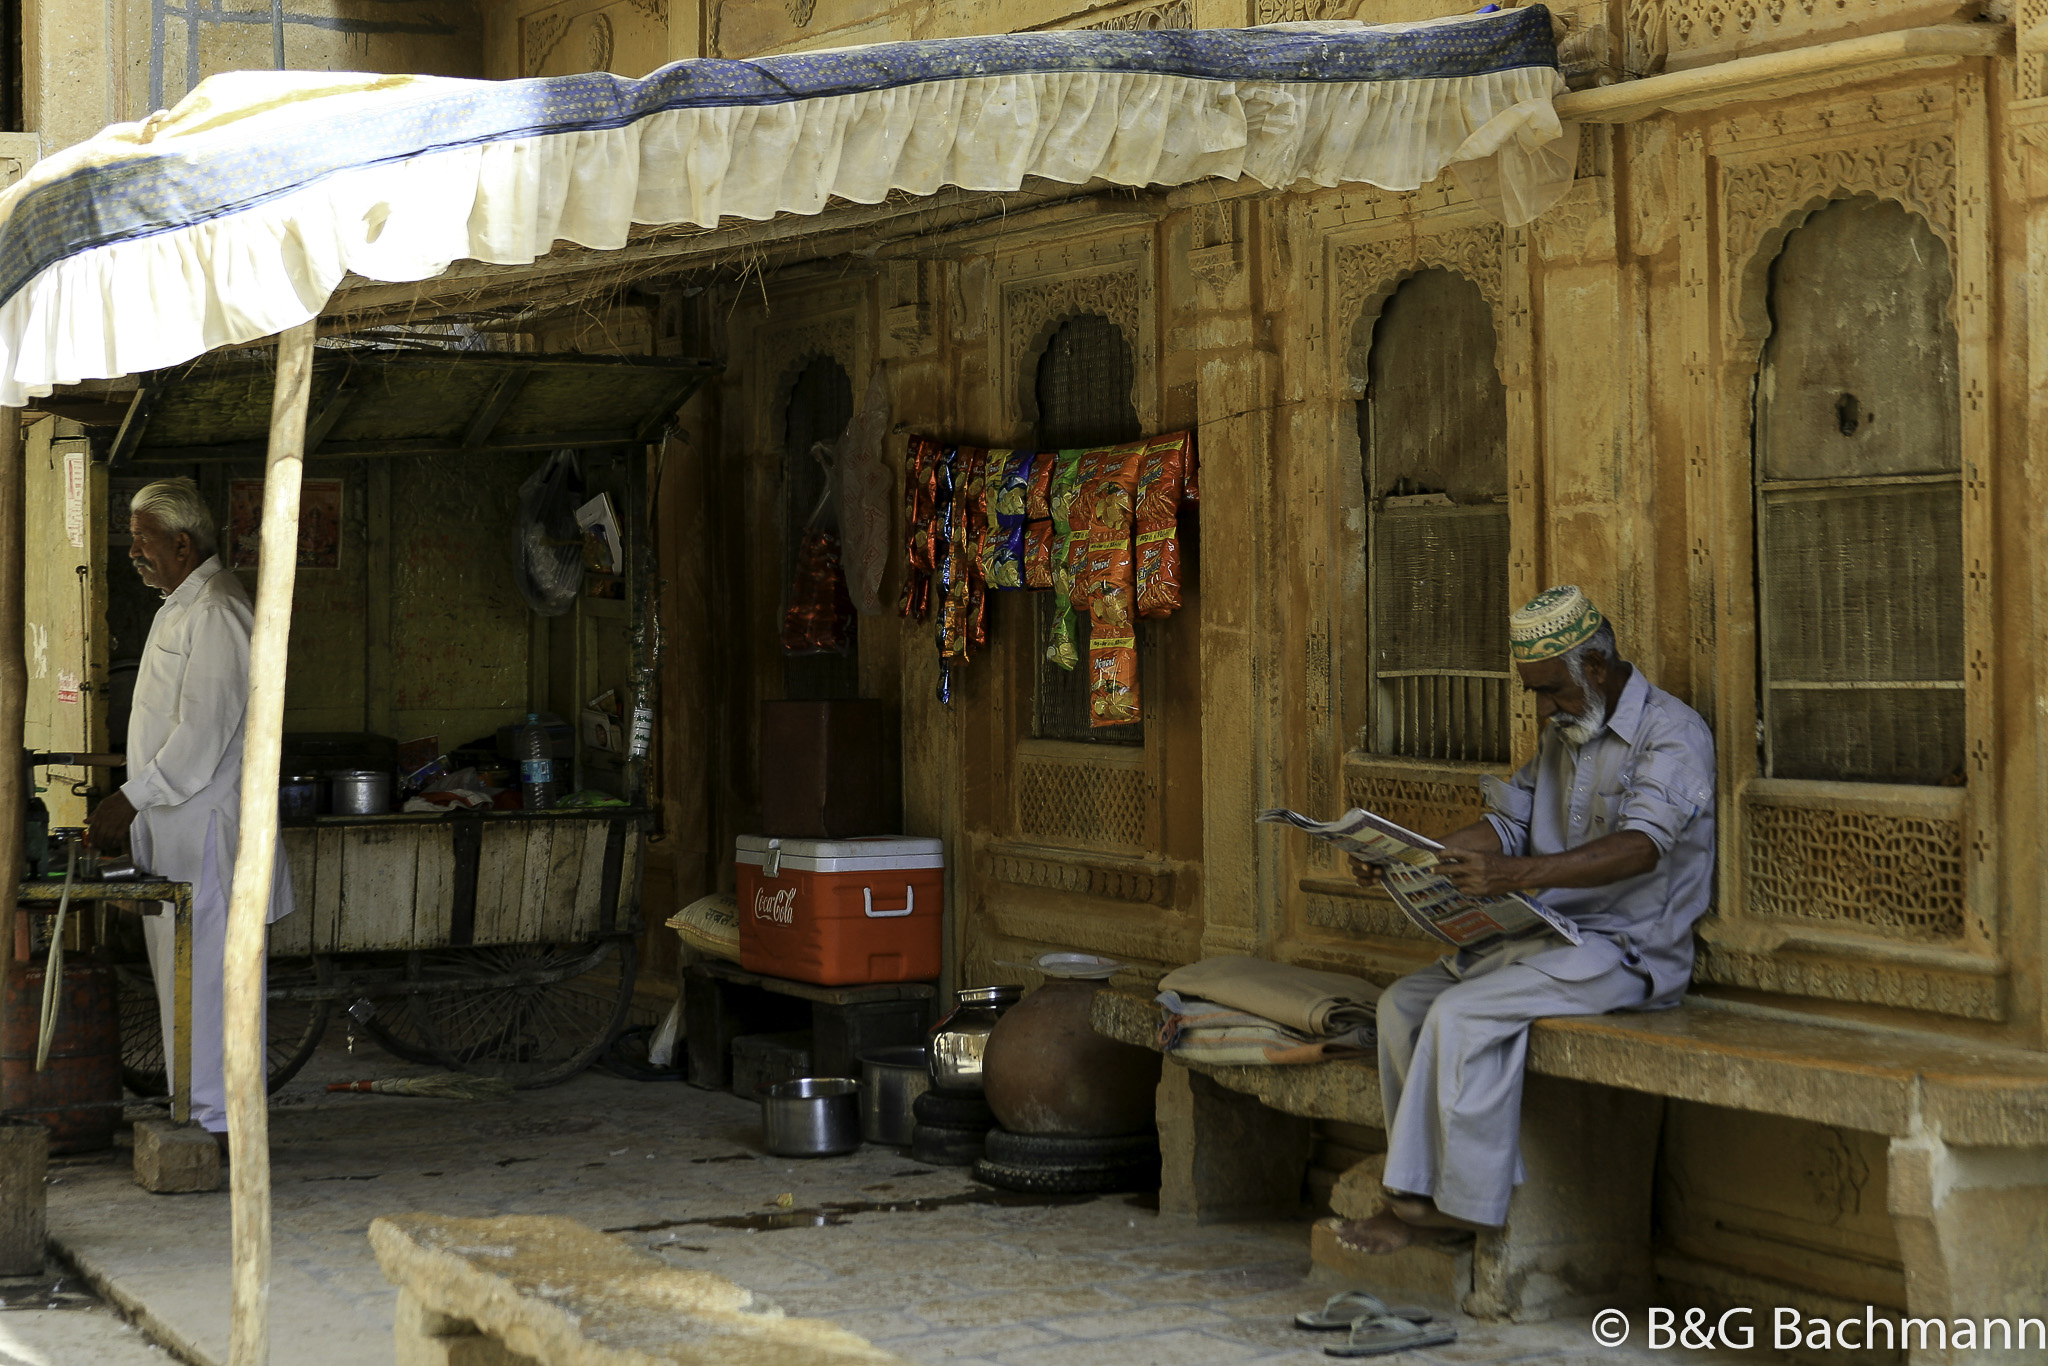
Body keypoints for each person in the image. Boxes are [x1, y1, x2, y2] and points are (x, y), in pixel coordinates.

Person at [1337, 586, 1715, 1252]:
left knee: (1462, 1015)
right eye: (1535, 693)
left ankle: (1452, 1209)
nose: (1543, 708)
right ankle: (1415, 1191)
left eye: (1551, 691)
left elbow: (1641, 845)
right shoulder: (1568, 732)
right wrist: (1412, 858)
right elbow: (1509, 825)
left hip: (1627, 952)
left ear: (1595, 669)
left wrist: (1519, 876)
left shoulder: (1672, 733)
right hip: (1548, 937)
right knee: (1402, 1005)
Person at [86, 478, 295, 1150]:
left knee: (213, 984)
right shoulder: (183, 605)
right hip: (175, 838)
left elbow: (200, 738)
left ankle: (223, 1125)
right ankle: (197, 1114)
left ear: (181, 543)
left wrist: (129, 798)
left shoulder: (218, 610)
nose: (133, 555)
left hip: (208, 836)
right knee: (187, 986)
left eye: (142, 542)